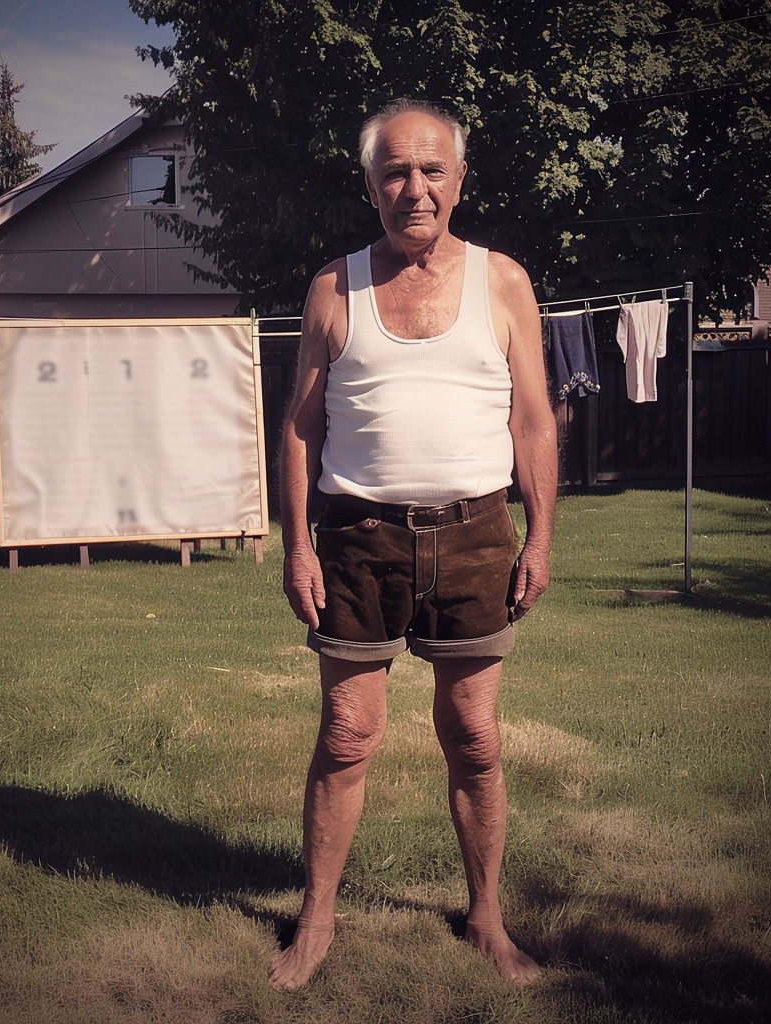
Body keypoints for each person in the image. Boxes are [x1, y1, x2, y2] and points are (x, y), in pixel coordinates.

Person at [270, 98, 557, 992]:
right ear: (370, 186)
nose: (415, 187)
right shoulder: (334, 287)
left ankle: (486, 918)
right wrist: (298, 548)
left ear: (460, 179)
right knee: (348, 734)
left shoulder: (503, 282)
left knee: (474, 734)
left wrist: (541, 534)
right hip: (358, 540)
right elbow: (300, 428)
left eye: (433, 170)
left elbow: (534, 420)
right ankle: (315, 922)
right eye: (395, 171)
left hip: (476, 536)